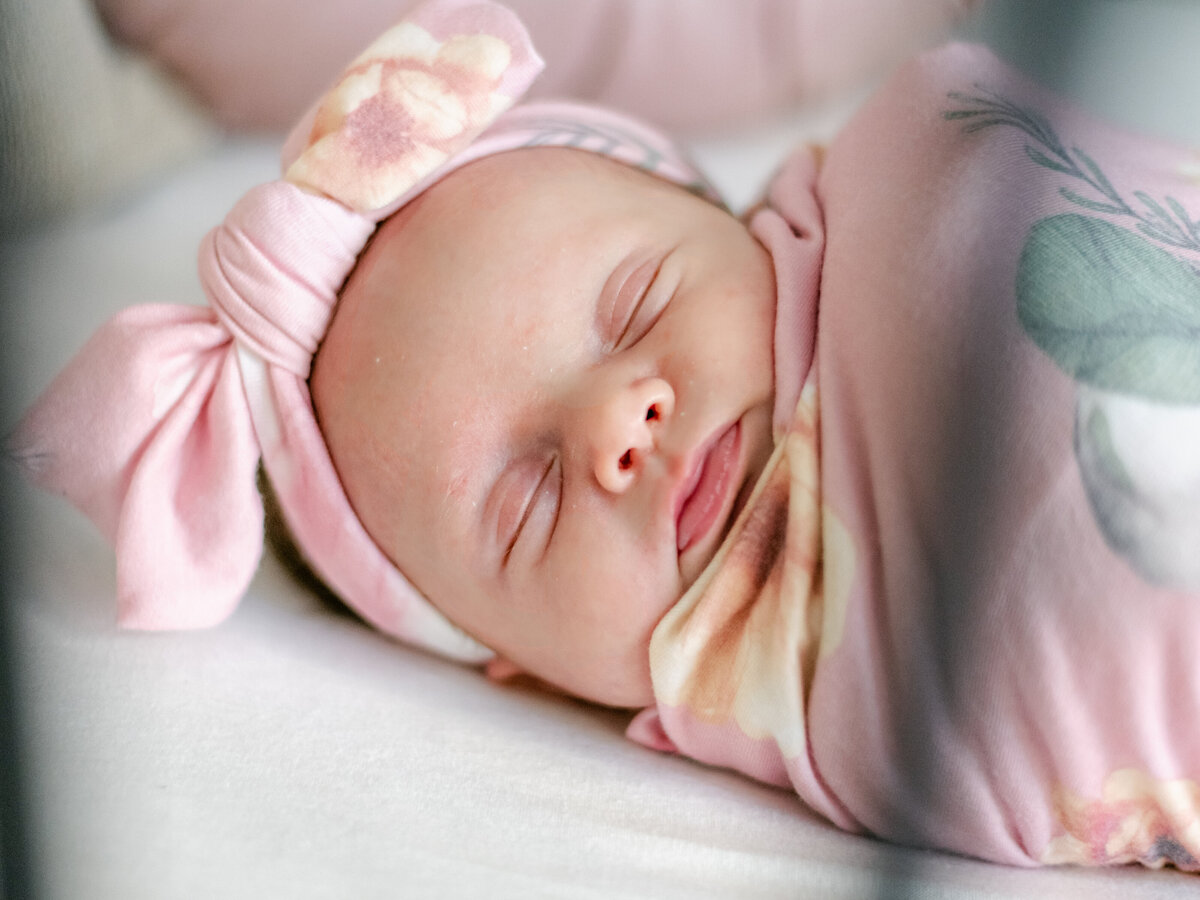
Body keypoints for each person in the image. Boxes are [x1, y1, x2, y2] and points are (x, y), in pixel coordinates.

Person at [12, 0, 1200, 873]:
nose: (614, 431)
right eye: (525, 507)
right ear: (518, 666)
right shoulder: (786, 693)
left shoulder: (897, 177)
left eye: (639, 306)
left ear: (732, 219)